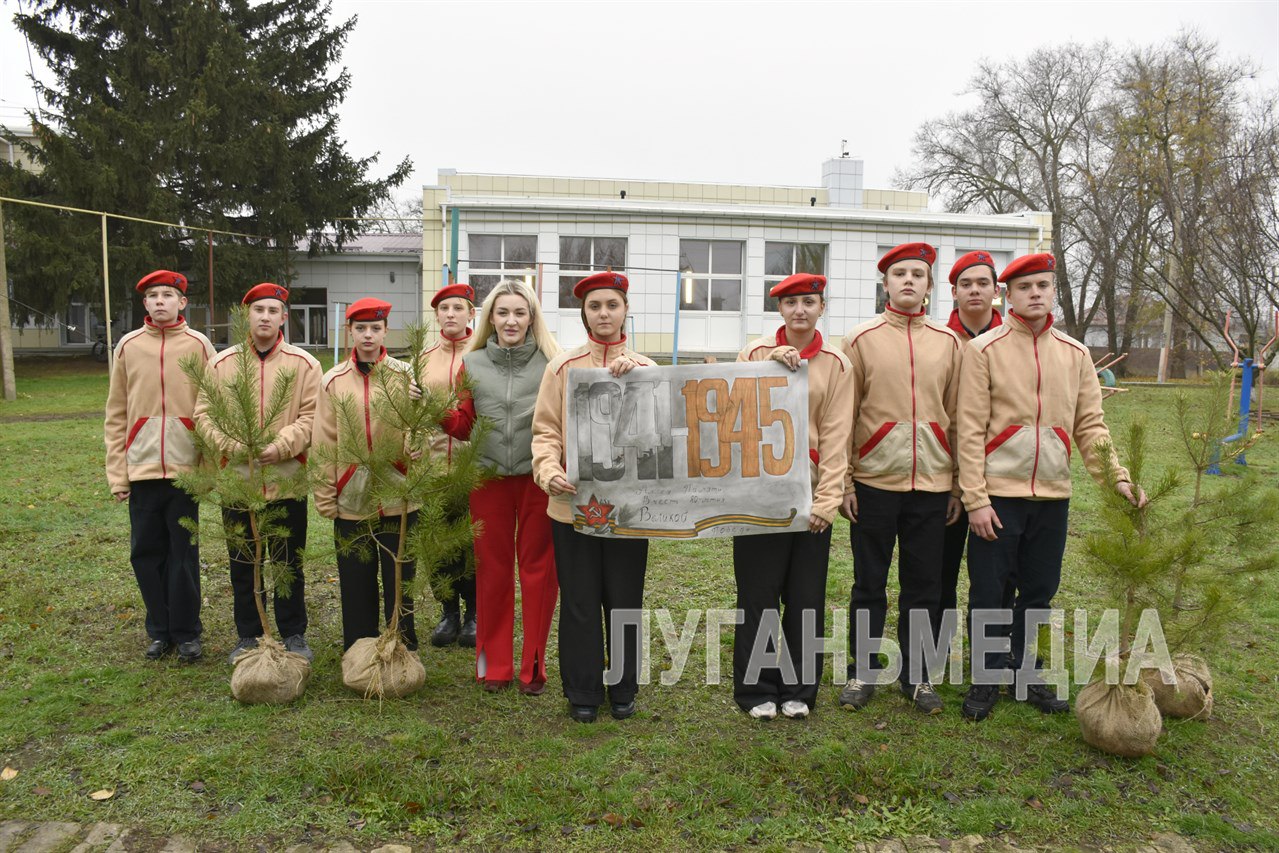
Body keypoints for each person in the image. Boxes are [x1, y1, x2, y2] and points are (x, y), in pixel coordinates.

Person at [958, 252, 1146, 721]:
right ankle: (986, 674)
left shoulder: (1075, 354)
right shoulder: (984, 351)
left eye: (1042, 285)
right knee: (989, 589)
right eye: (1024, 287)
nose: (1035, 294)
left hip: (1053, 494)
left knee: (1039, 589)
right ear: (1009, 295)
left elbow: (1091, 426)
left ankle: (1025, 670)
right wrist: (975, 499)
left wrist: (1117, 478)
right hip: (998, 496)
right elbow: (969, 429)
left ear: (1052, 291)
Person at [839, 243, 963, 716]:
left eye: (918, 274)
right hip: (873, 482)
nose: (908, 280)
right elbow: (843, 417)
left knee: (923, 586)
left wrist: (955, 486)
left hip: (931, 485)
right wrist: (847, 482)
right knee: (868, 583)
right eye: (899, 273)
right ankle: (862, 671)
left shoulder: (950, 343)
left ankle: (918, 676)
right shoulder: (860, 339)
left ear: (930, 285)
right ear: (885, 284)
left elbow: (957, 417)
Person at [531, 270, 656, 723]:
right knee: (580, 599)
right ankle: (582, 690)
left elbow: (663, 436)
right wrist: (548, 470)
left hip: (628, 509)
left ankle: (623, 687)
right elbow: (545, 431)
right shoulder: (562, 368)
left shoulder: (649, 370)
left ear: (625, 309)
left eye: (612, 305)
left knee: (624, 598)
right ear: (583, 313)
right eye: (595, 306)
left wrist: (633, 381)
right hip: (572, 508)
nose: (604, 313)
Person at [733, 273, 854, 720]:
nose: (799, 310)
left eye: (808, 301)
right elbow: (735, 414)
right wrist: (767, 367)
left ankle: (800, 689)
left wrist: (828, 500)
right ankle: (756, 689)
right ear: (779, 310)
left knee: (806, 597)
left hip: (810, 496)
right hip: (758, 493)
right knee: (757, 594)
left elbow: (839, 435)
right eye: (790, 303)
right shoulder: (755, 352)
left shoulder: (839, 364)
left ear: (822, 306)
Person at [442, 279, 562, 694]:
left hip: (537, 480)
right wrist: (437, 412)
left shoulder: (553, 362)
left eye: (520, 312)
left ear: (532, 319)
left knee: (538, 571)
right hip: (488, 480)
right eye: (503, 312)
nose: (511, 320)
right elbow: (463, 425)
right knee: (492, 571)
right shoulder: (471, 365)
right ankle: (495, 666)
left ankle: (532, 667)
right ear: (490, 318)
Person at [195, 283, 321, 664]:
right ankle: (248, 633)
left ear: (284, 317)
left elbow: (313, 416)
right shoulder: (221, 364)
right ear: (245, 316)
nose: (265, 316)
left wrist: (281, 445)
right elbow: (203, 414)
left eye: (273, 310)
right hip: (238, 482)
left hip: (286, 482)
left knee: (287, 561)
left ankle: (293, 631)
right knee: (243, 562)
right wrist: (230, 444)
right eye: (258, 309)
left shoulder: (303, 365)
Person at [104, 269, 216, 663]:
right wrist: (119, 474)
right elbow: (116, 413)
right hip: (143, 469)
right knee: (146, 553)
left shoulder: (200, 346)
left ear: (182, 302)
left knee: (183, 555)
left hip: (186, 471)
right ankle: (159, 630)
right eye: (153, 296)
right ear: (145, 304)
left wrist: (208, 471)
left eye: (167, 295)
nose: (160, 302)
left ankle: (187, 632)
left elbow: (213, 411)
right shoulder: (129, 346)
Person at [313, 298, 420, 652]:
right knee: (355, 576)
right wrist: (326, 490)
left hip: (397, 493)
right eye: (361, 329)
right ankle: (359, 643)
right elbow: (324, 440)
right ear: (350, 332)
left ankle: (401, 642)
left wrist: (413, 451)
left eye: (375, 328)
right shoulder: (333, 381)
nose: (368, 335)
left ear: (386, 331)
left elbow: (417, 429)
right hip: (352, 496)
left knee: (399, 575)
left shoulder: (405, 377)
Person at [939, 252, 1006, 649]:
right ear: (954, 292)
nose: (975, 290)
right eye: (967, 284)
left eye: (983, 283)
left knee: (995, 575)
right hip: (944, 474)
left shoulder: (1011, 338)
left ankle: (991, 653)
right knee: (940, 570)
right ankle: (938, 648)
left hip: (997, 475)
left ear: (997, 291)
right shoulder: (941, 340)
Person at [420, 282, 479, 648]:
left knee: (473, 543)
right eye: (444, 309)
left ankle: (474, 613)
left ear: (472, 313)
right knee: (438, 542)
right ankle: (448, 611)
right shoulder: (423, 361)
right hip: (434, 465)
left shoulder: (483, 354)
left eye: (459, 308)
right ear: (437, 316)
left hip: (475, 466)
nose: (451, 314)